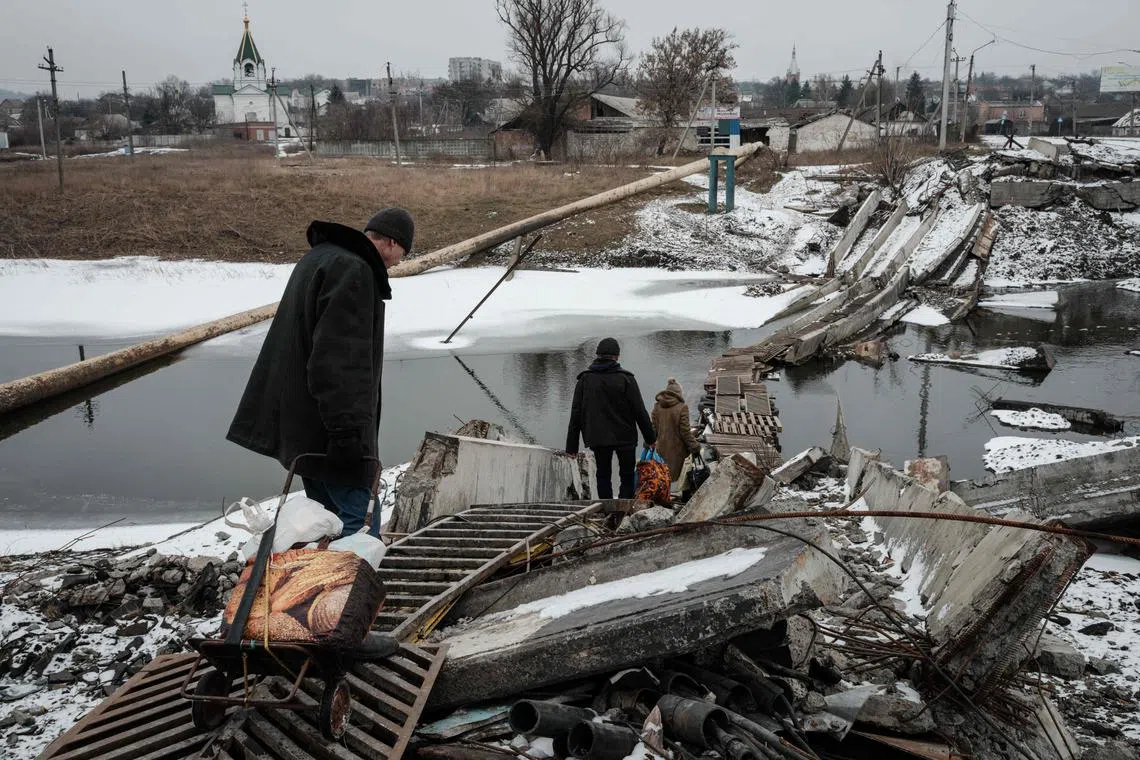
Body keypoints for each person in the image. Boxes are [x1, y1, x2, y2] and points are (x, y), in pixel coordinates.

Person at [226, 208, 414, 537]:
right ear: (390, 243)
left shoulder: (321, 258)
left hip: (305, 428)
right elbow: (339, 362)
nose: (398, 262)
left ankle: (325, 584)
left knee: (325, 522)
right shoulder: (353, 271)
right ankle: (354, 584)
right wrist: (347, 437)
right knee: (360, 522)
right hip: (331, 435)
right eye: (403, 252)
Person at [565, 338, 656, 499]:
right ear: (617, 357)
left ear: (598, 355)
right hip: (625, 437)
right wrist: (650, 438)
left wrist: (571, 447)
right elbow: (639, 411)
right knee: (627, 475)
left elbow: (576, 414)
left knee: (603, 474)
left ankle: (607, 509)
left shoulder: (585, 380)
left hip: (598, 437)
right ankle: (623, 510)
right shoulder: (626, 379)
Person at [650, 377, 701, 483]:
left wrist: (648, 443)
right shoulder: (682, 408)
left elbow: (653, 430)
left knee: (661, 476)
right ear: (678, 393)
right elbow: (685, 432)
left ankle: (662, 495)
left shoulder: (657, 407)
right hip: (677, 451)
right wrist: (695, 446)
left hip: (660, 450)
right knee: (677, 480)